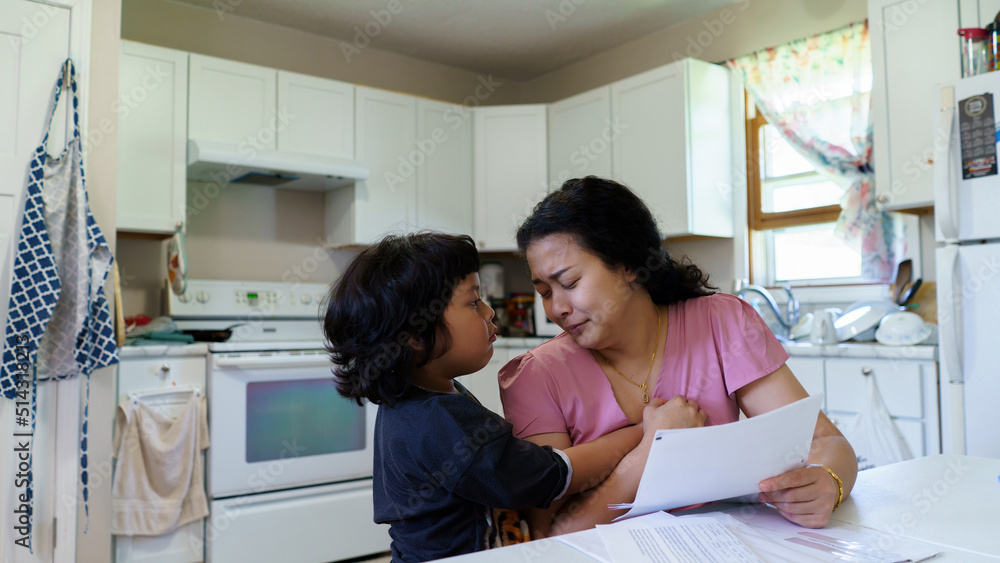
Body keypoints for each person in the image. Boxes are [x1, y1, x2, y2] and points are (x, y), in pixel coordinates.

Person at [499, 176, 858, 537]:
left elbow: (828, 444)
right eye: (544, 291)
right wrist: (646, 453)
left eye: (570, 283)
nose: (556, 308)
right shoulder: (537, 376)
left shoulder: (722, 322)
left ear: (627, 264)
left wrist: (827, 481)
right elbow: (552, 535)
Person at [322, 231, 701, 563]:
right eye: (473, 303)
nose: (489, 312)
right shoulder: (438, 422)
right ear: (417, 337)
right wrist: (649, 435)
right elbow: (548, 475)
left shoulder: (428, 396)